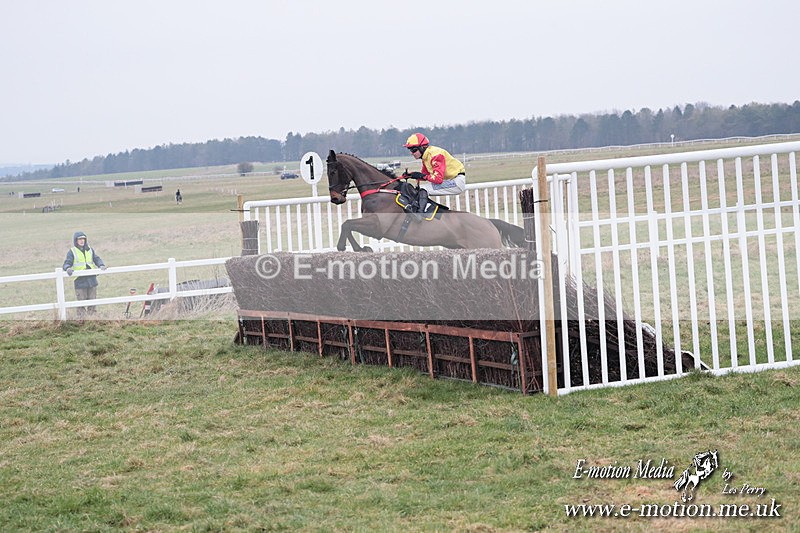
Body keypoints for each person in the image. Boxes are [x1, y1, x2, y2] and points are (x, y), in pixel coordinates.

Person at [402, 132, 466, 215]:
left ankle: (419, 214)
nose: (411, 153)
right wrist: (412, 175)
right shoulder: (426, 157)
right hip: (450, 180)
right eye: (410, 150)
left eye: (413, 150)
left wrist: (421, 176)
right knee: (419, 189)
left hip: (456, 182)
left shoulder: (435, 155)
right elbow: (425, 175)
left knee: (423, 189)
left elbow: (438, 179)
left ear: (422, 147)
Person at [62, 231, 107, 317]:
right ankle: (81, 319)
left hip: (92, 279)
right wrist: (67, 268)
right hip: (80, 280)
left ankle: (92, 318)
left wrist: (101, 265)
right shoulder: (72, 251)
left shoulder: (90, 249)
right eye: (80, 239)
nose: (82, 241)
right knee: (81, 302)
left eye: (83, 239)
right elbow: (67, 263)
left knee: (92, 301)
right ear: (76, 240)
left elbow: (96, 259)